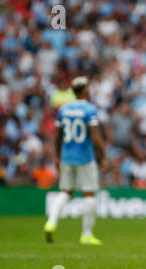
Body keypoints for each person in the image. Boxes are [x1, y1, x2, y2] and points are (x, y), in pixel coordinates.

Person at [43, 76, 107, 245]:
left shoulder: (64, 109)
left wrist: (57, 156)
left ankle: (51, 222)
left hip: (66, 156)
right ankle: (86, 234)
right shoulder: (90, 110)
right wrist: (104, 156)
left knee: (65, 191)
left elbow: (57, 137)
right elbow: (95, 136)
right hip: (85, 158)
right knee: (89, 193)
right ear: (86, 90)